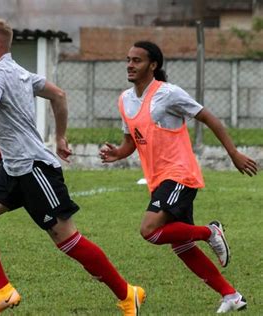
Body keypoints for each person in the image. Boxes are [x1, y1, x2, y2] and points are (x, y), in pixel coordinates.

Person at [0, 18, 145, 316]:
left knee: (68, 240)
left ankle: (127, 294)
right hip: (13, 169)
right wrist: (59, 136)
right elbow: (58, 94)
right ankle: (3, 292)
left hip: (34, 169)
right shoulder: (19, 73)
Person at [100, 41, 258, 313]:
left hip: (180, 174)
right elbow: (132, 141)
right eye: (128, 59)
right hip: (158, 180)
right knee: (181, 245)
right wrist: (117, 153)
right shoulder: (125, 99)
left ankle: (210, 232)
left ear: (153, 65)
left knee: (149, 230)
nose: (130, 64)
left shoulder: (169, 94)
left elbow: (210, 119)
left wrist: (233, 153)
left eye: (137, 60)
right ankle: (231, 295)